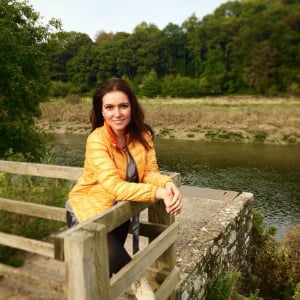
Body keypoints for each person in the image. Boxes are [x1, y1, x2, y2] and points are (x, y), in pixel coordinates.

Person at [66, 78, 182, 299]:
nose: (117, 113)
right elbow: (113, 186)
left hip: (118, 211)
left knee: (108, 272)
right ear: (101, 112)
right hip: (88, 213)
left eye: (123, 106)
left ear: (132, 107)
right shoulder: (96, 140)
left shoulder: (143, 135)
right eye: (109, 107)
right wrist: (157, 193)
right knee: (106, 271)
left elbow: (149, 172)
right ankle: (142, 290)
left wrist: (167, 184)